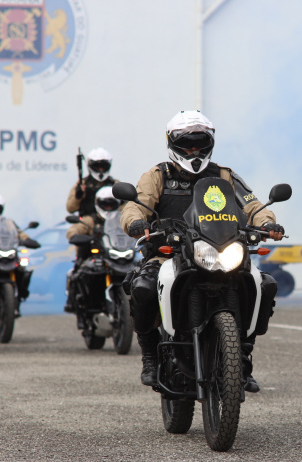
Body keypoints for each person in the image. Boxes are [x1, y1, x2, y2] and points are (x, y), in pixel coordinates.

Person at [121, 110, 285, 392]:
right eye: (187, 143)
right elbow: (136, 203)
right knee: (143, 288)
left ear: (210, 142)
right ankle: (149, 355)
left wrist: (268, 224)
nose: (194, 149)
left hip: (220, 249)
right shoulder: (158, 174)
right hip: (169, 252)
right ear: (173, 143)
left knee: (263, 284)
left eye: (200, 142)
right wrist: (136, 222)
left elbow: (252, 205)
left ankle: (242, 356)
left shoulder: (224, 175)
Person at [64, 148, 121, 312]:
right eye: (98, 166)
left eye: (104, 165)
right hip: (89, 228)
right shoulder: (82, 184)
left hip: (113, 229)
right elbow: (70, 208)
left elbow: (127, 206)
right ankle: (75, 297)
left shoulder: (116, 184)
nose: (101, 169)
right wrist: (78, 194)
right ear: (90, 166)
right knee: (81, 264)